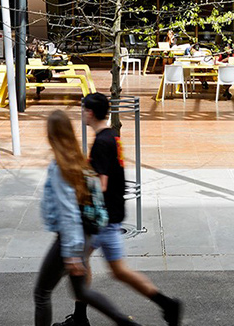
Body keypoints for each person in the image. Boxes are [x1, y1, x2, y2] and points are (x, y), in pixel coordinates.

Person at [61, 93, 182, 326]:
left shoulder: (101, 143)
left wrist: (78, 190)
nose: (82, 113)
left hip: (101, 220)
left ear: (90, 113)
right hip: (112, 215)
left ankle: (81, 318)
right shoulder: (111, 137)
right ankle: (167, 304)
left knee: (79, 263)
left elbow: (101, 185)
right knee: (117, 270)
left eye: (84, 109)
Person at [34, 110, 137, 326]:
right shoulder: (77, 159)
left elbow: (69, 212)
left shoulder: (60, 167)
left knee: (42, 293)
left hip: (69, 239)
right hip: (84, 235)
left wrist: (72, 254)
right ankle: (125, 323)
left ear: (51, 135)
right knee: (82, 291)